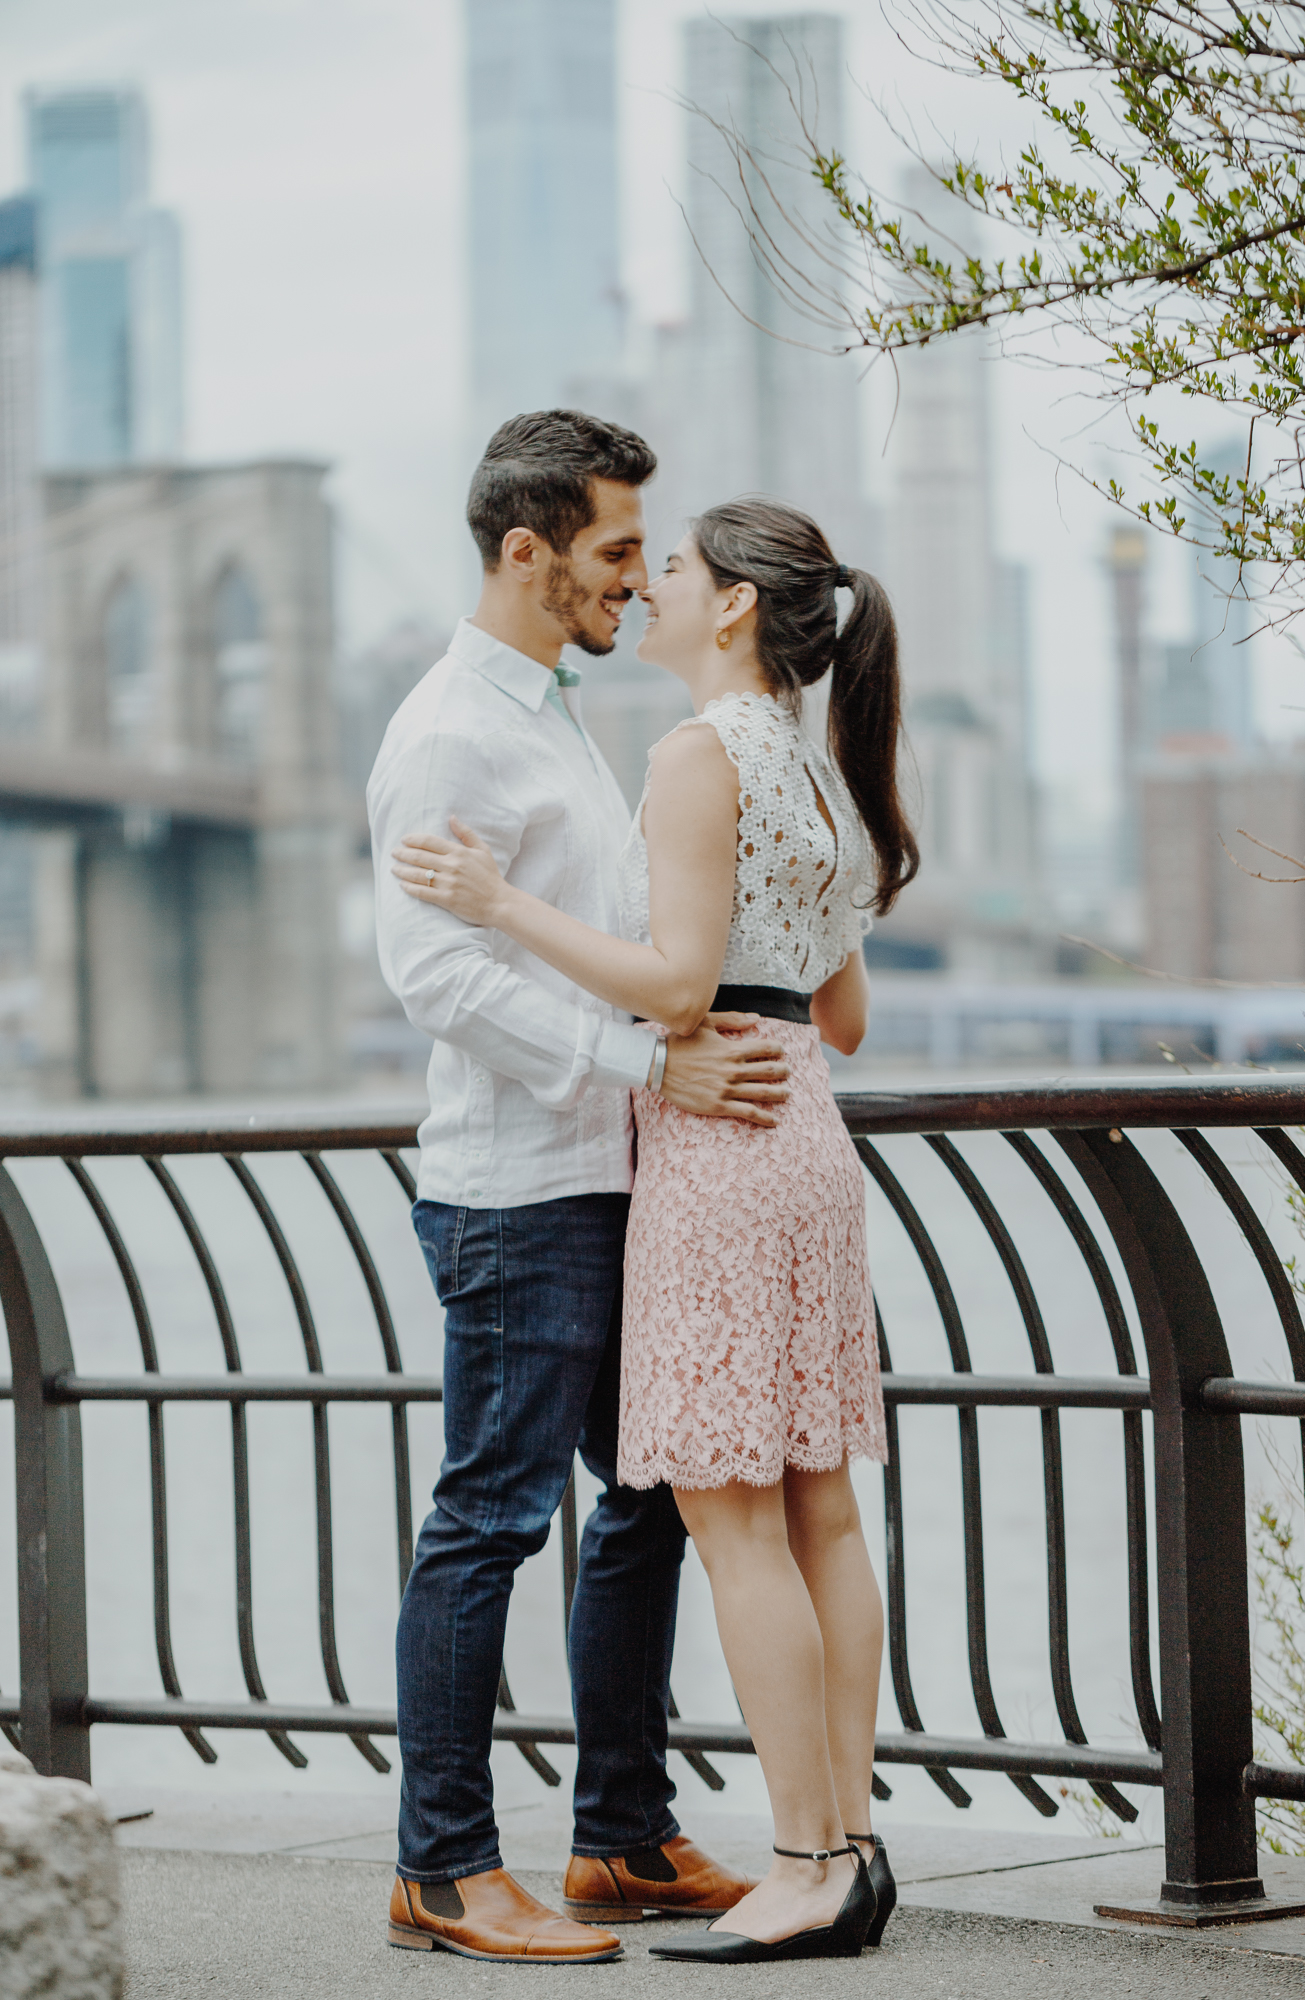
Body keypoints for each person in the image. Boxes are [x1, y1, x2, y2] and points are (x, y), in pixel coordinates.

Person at [393, 496, 919, 1963]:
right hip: (803, 1130)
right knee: (818, 1507)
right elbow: (848, 1019)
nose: (658, 582)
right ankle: (854, 1847)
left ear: (737, 605)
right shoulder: (815, 772)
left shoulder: (696, 754)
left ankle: (804, 1862)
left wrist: (502, 901)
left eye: (674, 565)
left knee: (728, 1513)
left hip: (712, 1144)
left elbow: (680, 992)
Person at [369, 412, 794, 1965]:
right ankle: (441, 1867)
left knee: (649, 1495)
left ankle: (618, 1836)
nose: (638, 573)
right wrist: (644, 1069)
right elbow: (433, 973)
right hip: (516, 1191)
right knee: (486, 1517)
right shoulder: (446, 734)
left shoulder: (552, 714)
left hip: (613, 1179)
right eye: (618, 548)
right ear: (525, 550)